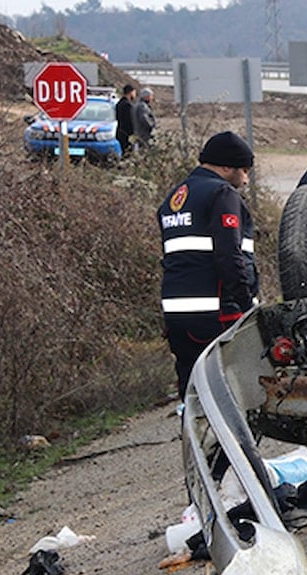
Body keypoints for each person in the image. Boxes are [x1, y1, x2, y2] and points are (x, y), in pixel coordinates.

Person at [158, 131, 259, 400]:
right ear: (227, 167)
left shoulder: (174, 198)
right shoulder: (222, 194)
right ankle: (227, 441)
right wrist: (247, 304)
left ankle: (194, 438)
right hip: (217, 313)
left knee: (192, 390)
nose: (246, 180)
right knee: (230, 390)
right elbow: (229, 256)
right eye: (244, 170)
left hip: (177, 315)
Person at [115, 84, 136, 155]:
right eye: (134, 92)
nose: (135, 95)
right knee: (128, 152)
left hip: (119, 131)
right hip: (126, 133)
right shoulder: (127, 105)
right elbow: (130, 120)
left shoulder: (119, 103)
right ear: (130, 93)